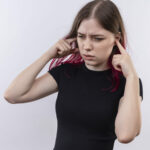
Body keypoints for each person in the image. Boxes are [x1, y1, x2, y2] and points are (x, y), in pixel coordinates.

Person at [4, 0, 143, 150]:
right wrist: (48, 55)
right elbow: (12, 95)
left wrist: (132, 77)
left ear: (117, 39)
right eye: (81, 36)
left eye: (97, 38)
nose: (87, 46)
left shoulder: (128, 83)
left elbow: (125, 135)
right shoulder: (67, 72)